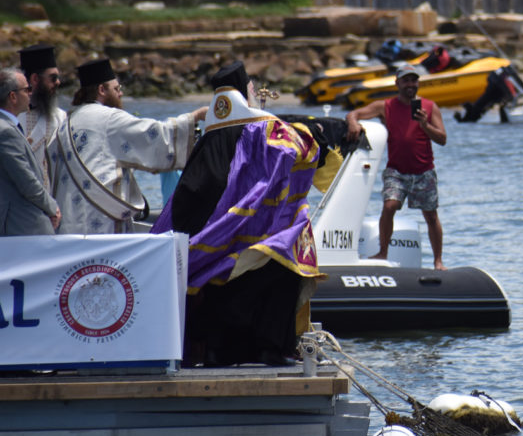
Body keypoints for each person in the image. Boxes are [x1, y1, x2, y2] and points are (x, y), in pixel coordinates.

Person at [152, 61, 324, 366]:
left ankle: (218, 351)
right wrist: (317, 134)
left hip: (205, 239)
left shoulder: (208, 137)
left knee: (215, 279)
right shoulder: (261, 128)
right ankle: (270, 348)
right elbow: (297, 150)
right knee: (286, 252)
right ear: (247, 91)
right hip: (247, 230)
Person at [48, 58, 205, 235]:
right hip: (101, 221)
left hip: (69, 222)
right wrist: (195, 117)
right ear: (102, 90)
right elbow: (154, 135)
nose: (120, 94)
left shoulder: (66, 122)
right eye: (117, 89)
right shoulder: (109, 118)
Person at [346, 63, 448, 270]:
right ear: (397, 83)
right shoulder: (385, 106)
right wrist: (353, 123)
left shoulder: (429, 107)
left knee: (431, 215)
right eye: (406, 80)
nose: (410, 84)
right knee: (389, 206)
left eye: (414, 80)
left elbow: (443, 139)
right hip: (396, 171)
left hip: (424, 171)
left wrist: (425, 125)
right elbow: (354, 114)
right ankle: (383, 252)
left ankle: (438, 261)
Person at [0, 67, 60, 235]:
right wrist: (51, 207)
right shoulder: (5, 131)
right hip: (21, 224)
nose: (31, 94)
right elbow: (27, 182)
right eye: (27, 90)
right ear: (13, 96)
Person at [17, 43, 67, 191]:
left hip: (52, 202)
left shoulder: (60, 117)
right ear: (35, 79)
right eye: (53, 78)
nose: (58, 82)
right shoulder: (9, 116)